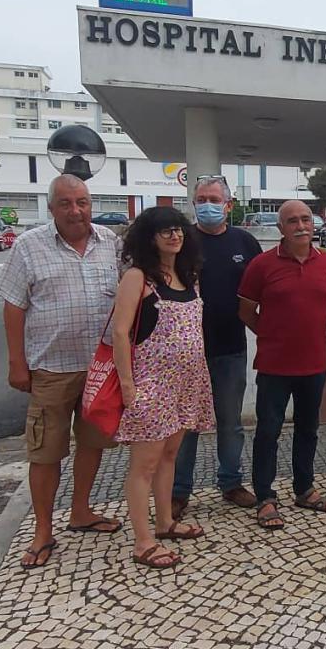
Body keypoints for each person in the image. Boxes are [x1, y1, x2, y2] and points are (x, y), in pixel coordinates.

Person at [0, 174, 123, 569]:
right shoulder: (30, 247)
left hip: (100, 368)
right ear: (51, 208)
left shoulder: (110, 245)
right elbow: (14, 305)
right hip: (50, 369)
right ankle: (43, 530)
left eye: (81, 202)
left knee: (93, 443)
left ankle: (81, 511)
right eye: (65, 203)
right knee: (45, 451)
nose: (75, 210)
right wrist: (17, 362)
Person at [112, 207, 215, 569]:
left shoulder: (189, 277)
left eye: (178, 229)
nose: (174, 236)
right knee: (144, 464)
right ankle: (143, 541)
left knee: (170, 456)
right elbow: (120, 332)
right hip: (151, 386)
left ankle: (165, 522)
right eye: (164, 231)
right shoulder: (138, 278)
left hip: (186, 384)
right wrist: (128, 386)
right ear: (149, 237)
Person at [238, 200, 326, 529]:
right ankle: (265, 497)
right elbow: (246, 311)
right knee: (268, 432)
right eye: (292, 221)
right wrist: (273, 334)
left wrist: (305, 333)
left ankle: (304, 489)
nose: (301, 226)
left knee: (308, 429)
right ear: (280, 228)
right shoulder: (261, 265)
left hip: (314, 363)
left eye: (305, 220)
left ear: (313, 225)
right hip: (274, 364)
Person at [172, 175, 262, 520]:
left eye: (214, 198)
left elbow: (260, 290)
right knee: (186, 424)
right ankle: (179, 491)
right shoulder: (181, 241)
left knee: (230, 421)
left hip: (230, 347)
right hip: (185, 352)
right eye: (201, 198)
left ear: (228, 204)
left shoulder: (245, 242)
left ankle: (231, 482)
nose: (207, 204)